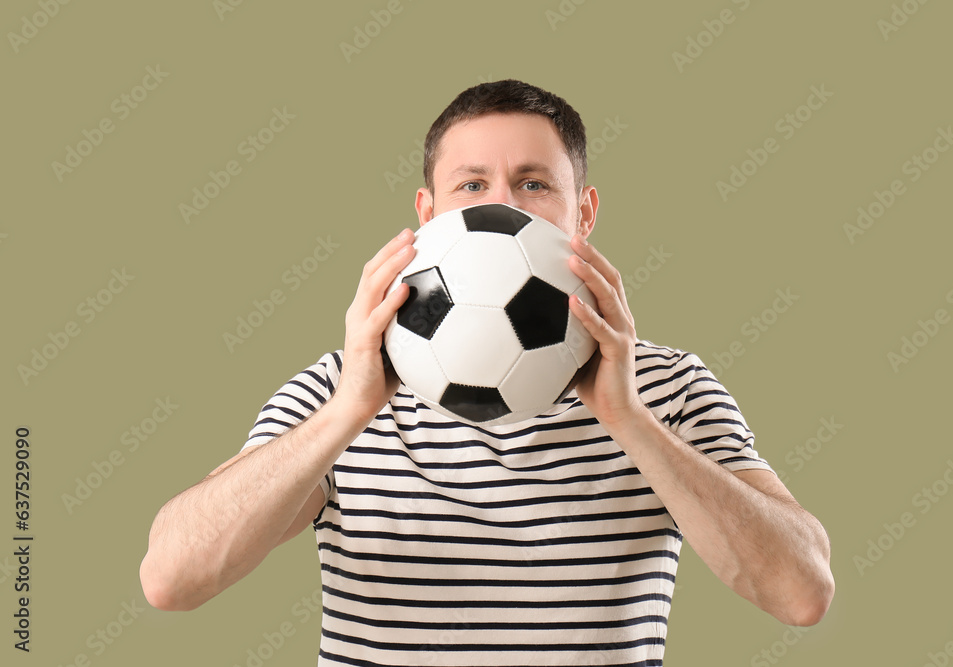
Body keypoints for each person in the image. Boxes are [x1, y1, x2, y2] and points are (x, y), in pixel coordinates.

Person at [140, 79, 834, 665]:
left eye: (533, 183)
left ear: (582, 214)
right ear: (428, 214)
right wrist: (347, 412)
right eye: (471, 184)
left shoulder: (668, 388)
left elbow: (803, 592)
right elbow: (171, 577)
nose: (501, 205)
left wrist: (632, 422)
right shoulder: (340, 386)